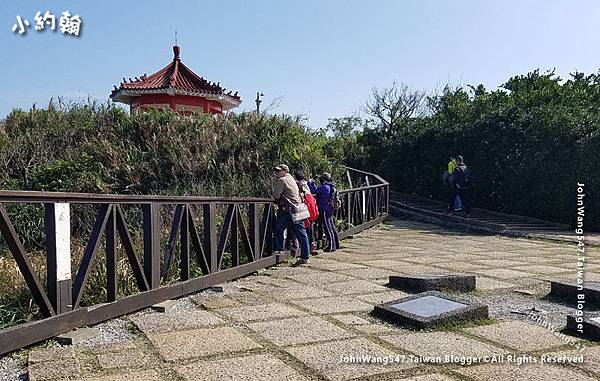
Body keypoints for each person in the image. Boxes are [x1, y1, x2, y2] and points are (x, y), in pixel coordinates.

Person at [272, 164, 311, 264]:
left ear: (285, 171)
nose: (276, 173)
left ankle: (279, 250)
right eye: (276, 171)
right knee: (302, 233)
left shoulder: (282, 180)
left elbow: (276, 195)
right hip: (299, 209)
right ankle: (305, 257)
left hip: (290, 210)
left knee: (278, 227)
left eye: (279, 171)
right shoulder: (292, 179)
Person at [308, 172, 340, 252]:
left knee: (327, 228)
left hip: (325, 209)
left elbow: (314, 191)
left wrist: (310, 183)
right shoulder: (331, 186)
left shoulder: (325, 187)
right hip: (329, 208)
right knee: (331, 227)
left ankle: (332, 247)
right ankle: (336, 244)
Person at [292, 170, 320, 256]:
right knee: (310, 227)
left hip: (303, 209)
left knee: (301, 229)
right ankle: (312, 244)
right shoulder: (307, 184)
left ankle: (301, 250)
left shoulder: (297, 185)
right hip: (311, 209)